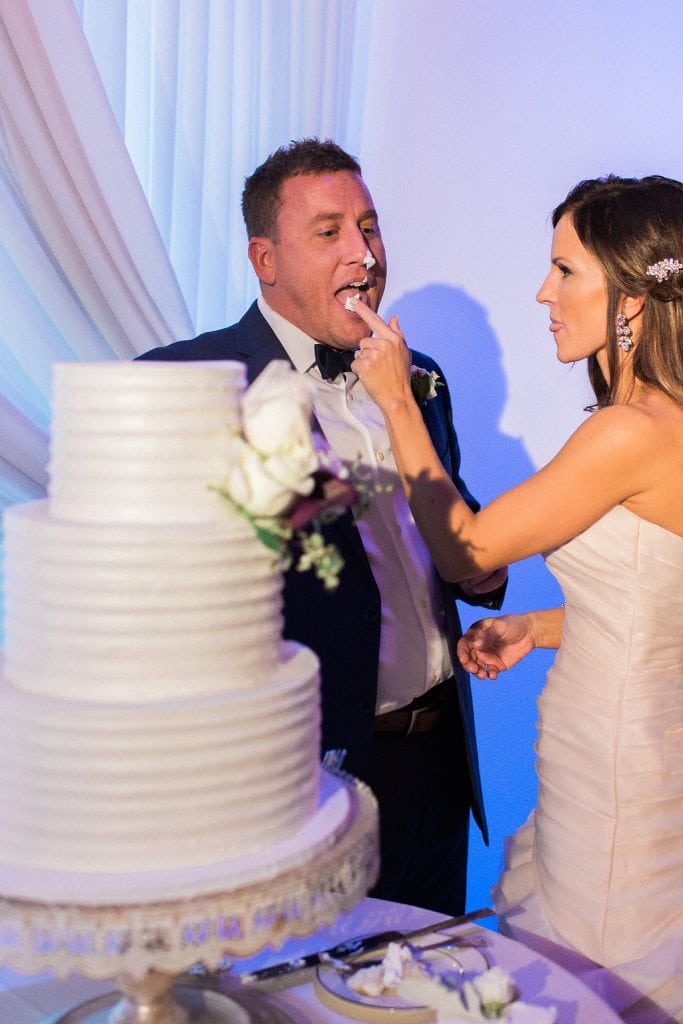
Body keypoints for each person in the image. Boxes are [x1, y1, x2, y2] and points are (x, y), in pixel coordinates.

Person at [137, 138, 507, 915]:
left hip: (439, 765)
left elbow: (457, 530)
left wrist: (480, 571)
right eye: (331, 231)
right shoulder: (190, 385)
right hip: (309, 778)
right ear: (265, 260)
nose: (364, 254)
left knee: (429, 989)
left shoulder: (420, 376)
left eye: (369, 227)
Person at [351, 174, 683, 1023]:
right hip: (642, 753)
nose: (543, 290)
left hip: (613, 770)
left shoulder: (626, 433)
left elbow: (466, 546)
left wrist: (395, 399)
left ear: (631, 301)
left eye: (564, 270)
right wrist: (536, 626)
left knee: (599, 981)